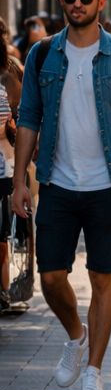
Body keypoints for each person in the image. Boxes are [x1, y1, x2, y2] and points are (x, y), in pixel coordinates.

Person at [13, 0, 111, 390]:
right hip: (55, 182)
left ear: (100, 3)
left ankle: (93, 370)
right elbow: (29, 118)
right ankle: (77, 335)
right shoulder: (41, 56)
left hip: (108, 185)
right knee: (51, 277)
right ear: (63, 1)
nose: (77, 4)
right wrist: (21, 180)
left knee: (101, 277)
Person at [0, 20, 21, 313]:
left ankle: (3, 290)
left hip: (4, 165)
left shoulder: (11, 71)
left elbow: (19, 117)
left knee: (1, 237)